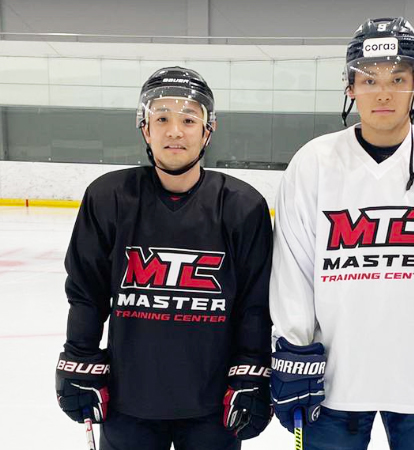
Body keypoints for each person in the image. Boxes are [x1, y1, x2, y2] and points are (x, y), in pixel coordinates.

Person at [269, 17, 414, 450]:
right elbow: (294, 267)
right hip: (331, 383)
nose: (383, 93)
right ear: (350, 87)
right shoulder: (313, 163)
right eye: (369, 79)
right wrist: (293, 348)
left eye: (397, 79)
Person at [55, 66, 273, 450]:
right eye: (162, 119)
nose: (175, 131)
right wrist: (79, 356)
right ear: (145, 128)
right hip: (129, 403)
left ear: (208, 130)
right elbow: (86, 291)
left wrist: (251, 372)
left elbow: (255, 304)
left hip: (213, 406)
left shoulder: (243, 206)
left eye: (188, 119)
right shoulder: (109, 198)